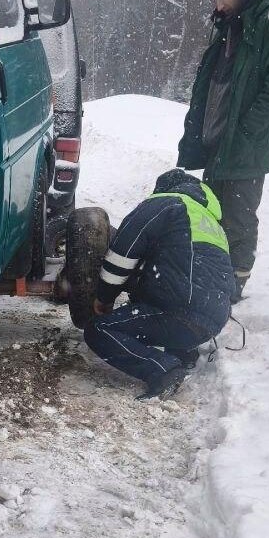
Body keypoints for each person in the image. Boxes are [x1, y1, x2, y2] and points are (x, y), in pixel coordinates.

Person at [177, 0, 269, 303]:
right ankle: (213, 275)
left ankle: (233, 285)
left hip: (247, 141)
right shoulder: (234, 17)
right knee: (214, 208)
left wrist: (247, 130)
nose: (218, 6)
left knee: (238, 213)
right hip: (221, 136)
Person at [84, 170, 235, 399]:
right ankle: (183, 352)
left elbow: (122, 254)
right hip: (210, 321)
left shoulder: (164, 204)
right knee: (169, 281)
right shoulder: (209, 221)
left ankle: (163, 368)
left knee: (99, 330)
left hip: (179, 312)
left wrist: (104, 297)